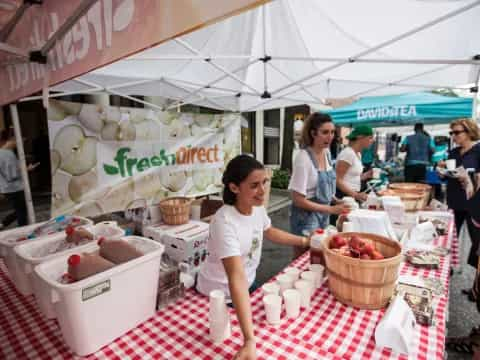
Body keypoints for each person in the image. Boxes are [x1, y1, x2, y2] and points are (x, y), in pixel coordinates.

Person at [197, 154, 310, 360]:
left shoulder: (256, 210)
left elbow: (270, 231)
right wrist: (248, 340)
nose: (263, 191)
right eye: (254, 185)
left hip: (248, 285)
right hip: (220, 294)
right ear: (234, 188)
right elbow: (235, 276)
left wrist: (304, 242)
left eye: (264, 182)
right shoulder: (224, 222)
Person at [288, 112, 350, 256]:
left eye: (332, 132)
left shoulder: (327, 153)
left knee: (321, 254)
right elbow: (297, 199)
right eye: (325, 132)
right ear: (313, 133)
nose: (330, 136)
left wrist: (336, 200)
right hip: (305, 218)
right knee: (305, 257)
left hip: (322, 214)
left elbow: (324, 187)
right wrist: (330, 209)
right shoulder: (303, 159)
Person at [439, 118, 480, 301]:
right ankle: (443, 274)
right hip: (455, 201)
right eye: (452, 133)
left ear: (469, 131)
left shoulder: (478, 150)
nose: (453, 136)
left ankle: (476, 289)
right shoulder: (453, 152)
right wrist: (442, 173)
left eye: (457, 132)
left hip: (474, 205)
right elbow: (448, 176)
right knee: (447, 240)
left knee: (477, 247)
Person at [0, 129, 38, 229]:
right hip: (15, 188)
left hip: (7, 188)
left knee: (20, 210)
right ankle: (24, 231)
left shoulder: (2, 152)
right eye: (22, 139)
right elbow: (11, 175)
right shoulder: (8, 154)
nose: (23, 142)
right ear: (13, 138)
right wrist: (26, 170)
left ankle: (3, 224)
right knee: (22, 212)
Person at [335, 125, 374, 202]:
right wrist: (355, 195)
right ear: (360, 137)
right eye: (370, 138)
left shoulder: (358, 154)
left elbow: (351, 177)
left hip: (351, 195)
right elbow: (337, 180)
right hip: (343, 196)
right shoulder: (348, 153)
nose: (372, 140)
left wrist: (365, 175)